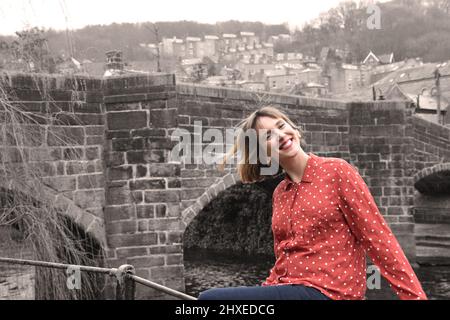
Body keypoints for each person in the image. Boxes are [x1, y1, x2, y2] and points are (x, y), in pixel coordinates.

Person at [197, 106, 427, 300]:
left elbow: (378, 238)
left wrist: (414, 296)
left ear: (294, 128)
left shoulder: (337, 171)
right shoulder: (280, 193)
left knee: (210, 300)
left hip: (331, 292)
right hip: (293, 288)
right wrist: (265, 291)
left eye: (280, 125)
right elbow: (284, 258)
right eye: (267, 136)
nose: (280, 135)